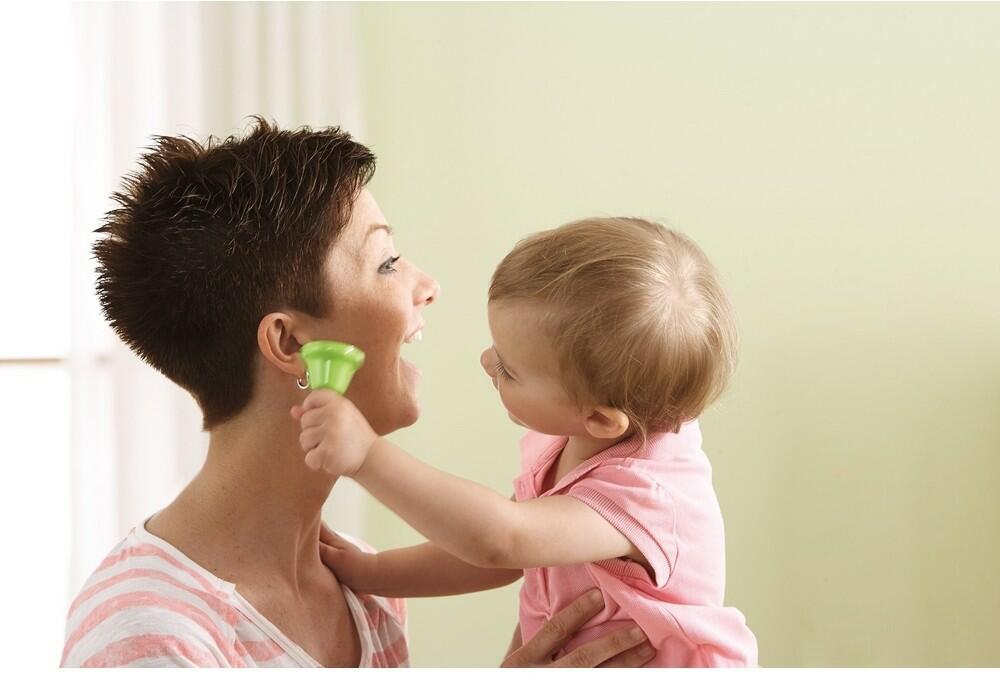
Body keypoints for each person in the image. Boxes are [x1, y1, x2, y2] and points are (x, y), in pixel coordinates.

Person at [61, 119, 654, 667]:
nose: (428, 285)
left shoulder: (362, 589)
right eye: (387, 262)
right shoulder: (149, 634)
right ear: (290, 344)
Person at [295, 218, 759, 666]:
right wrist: (372, 574)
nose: (485, 362)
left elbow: (501, 540)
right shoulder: (579, 441)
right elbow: (495, 559)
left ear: (600, 418)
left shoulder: (648, 495)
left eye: (509, 369)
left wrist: (368, 456)